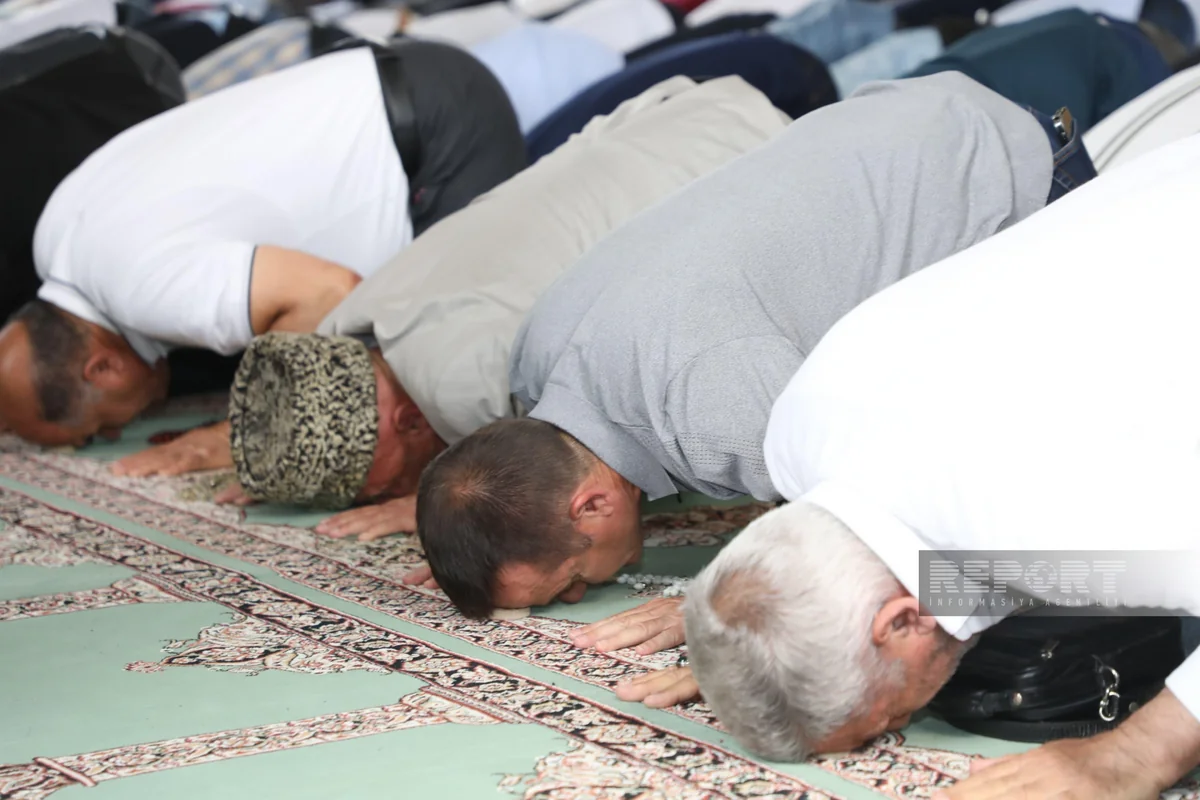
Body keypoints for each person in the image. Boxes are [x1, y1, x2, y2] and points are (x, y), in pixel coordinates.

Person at [415, 72, 1098, 627]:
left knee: (1014, 499)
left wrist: (721, 607)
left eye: (568, 582)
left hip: (1018, 175)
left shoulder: (715, 402)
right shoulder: (538, 355)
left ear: (593, 506)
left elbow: (882, 532)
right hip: (904, 107)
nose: (577, 597)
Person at [684, 133, 1200, 799]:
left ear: (897, 622)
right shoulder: (793, 433)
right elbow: (953, 566)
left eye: (892, 714)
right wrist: (755, 649)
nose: (907, 720)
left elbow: (1009, 550)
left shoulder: (1052, 528)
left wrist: (1133, 754)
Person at [220, 75, 791, 544]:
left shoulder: (476, 389)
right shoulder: (354, 317)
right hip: (685, 114)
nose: (380, 496)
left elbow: (596, 480)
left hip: (763, 163)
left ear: (410, 421)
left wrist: (456, 507)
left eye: (380, 485)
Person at [0, 40, 524, 467]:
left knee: (452, 391)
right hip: (394, 76)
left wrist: (247, 433)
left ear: (101, 369)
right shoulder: (56, 238)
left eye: (100, 428)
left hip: (441, 137)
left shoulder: (145, 290)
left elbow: (328, 292)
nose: (119, 429)